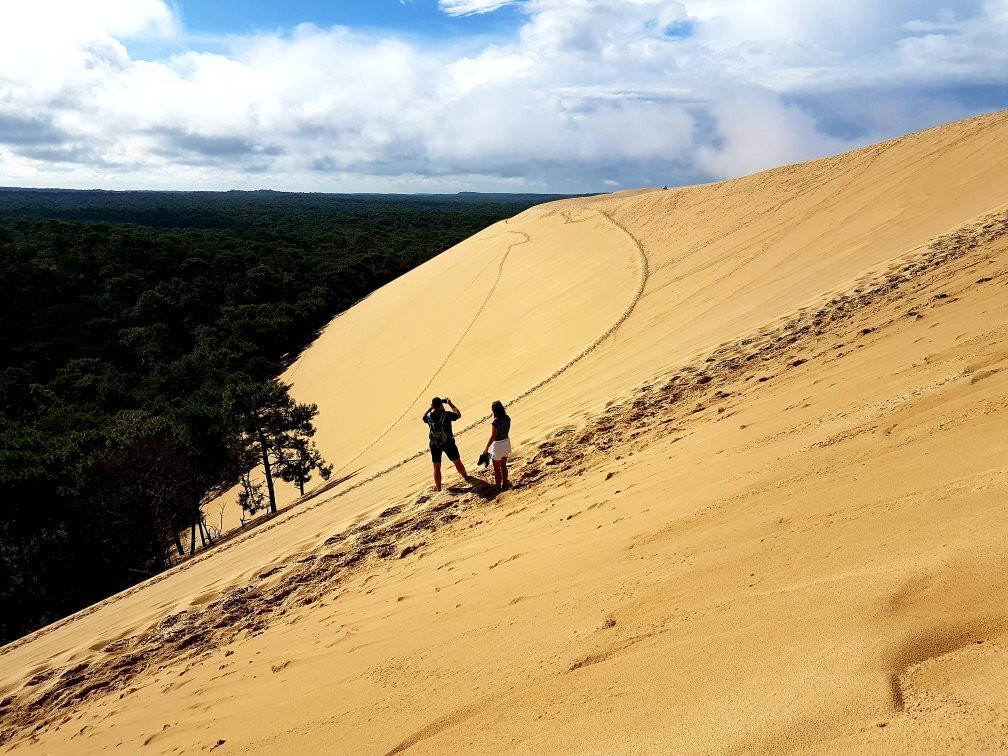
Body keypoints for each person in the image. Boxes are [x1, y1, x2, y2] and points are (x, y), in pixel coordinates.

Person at [423, 397, 467, 491]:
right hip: (449, 443)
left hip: (434, 444)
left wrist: (430, 408)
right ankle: (466, 477)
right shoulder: (446, 414)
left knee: (436, 467)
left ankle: (439, 489)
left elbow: (424, 417)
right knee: (457, 462)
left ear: (433, 406)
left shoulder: (429, 416)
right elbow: (458, 415)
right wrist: (450, 404)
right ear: (441, 405)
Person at [482, 400, 511, 491]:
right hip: (506, 442)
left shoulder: (495, 421)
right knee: (503, 465)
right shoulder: (507, 418)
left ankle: (498, 487)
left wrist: (486, 447)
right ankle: (505, 483)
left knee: (497, 469)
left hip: (498, 445)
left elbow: (493, 436)